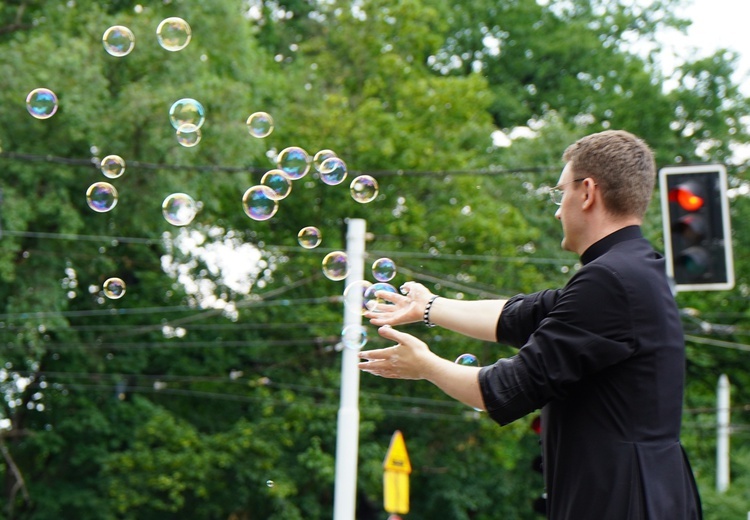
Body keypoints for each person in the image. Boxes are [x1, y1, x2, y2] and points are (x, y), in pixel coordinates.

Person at [358, 130, 703, 519]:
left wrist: (424, 365)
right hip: (649, 498)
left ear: (587, 192)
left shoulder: (610, 281)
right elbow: (521, 315)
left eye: (561, 193)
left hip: (621, 504)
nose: (558, 210)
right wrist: (429, 307)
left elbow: (499, 390)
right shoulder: (635, 269)